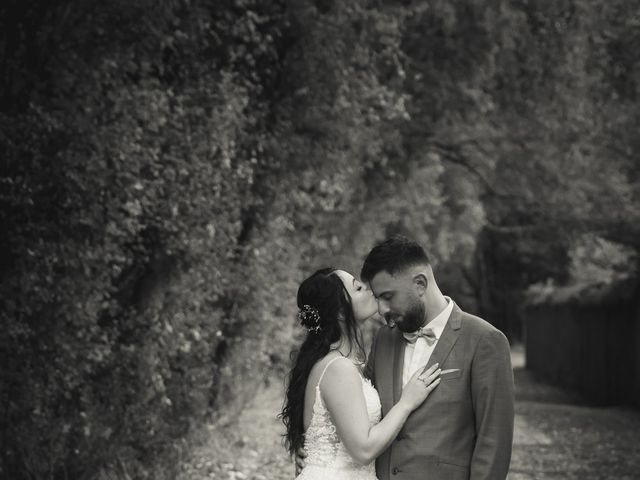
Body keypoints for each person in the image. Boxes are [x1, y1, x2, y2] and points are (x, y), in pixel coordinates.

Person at [297, 236, 515, 480]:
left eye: (388, 297)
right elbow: (355, 412)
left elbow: (494, 441)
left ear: (420, 284)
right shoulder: (385, 339)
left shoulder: (484, 340)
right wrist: (316, 452)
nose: (381, 310)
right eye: (378, 298)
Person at [280, 267, 442, 480]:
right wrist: (407, 402)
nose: (369, 289)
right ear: (339, 311)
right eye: (358, 288)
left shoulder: (335, 362)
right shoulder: (338, 368)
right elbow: (363, 450)